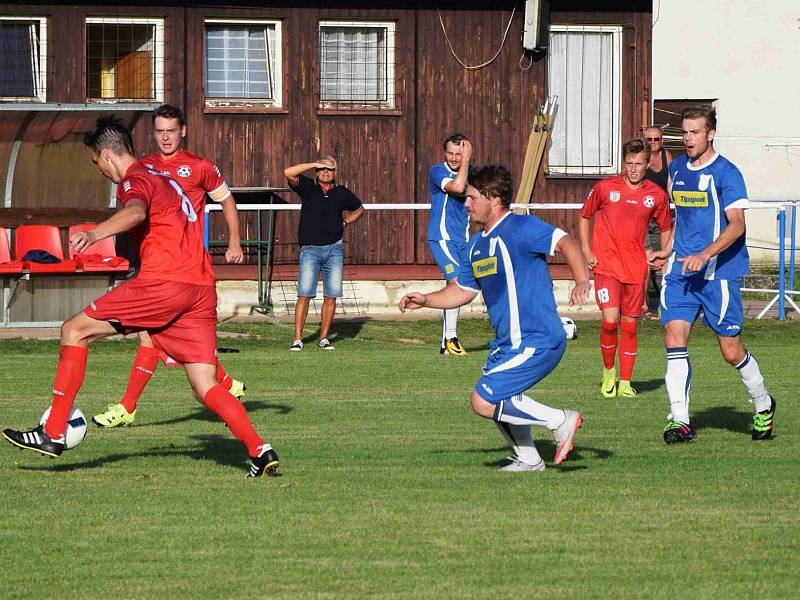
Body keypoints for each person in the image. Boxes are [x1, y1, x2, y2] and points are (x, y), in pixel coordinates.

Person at [2, 116, 279, 477]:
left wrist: (96, 233)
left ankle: (52, 433)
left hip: (164, 283)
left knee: (73, 330)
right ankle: (260, 450)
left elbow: (135, 211)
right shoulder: (167, 181)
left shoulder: (136, 179)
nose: (100, 171)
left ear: (105, 154)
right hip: (199, 289)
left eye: (95, 163)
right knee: (204, 385)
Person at [400, 164, 591, 472]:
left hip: (537, 339)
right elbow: (461, 291)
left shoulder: (520, 228)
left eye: (473, 197)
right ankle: (529, 459)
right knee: (498, 398)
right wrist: (426, 300)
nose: (466, 203)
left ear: (495, 197)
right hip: (508, 344)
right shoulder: (476, 245)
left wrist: (583, 280)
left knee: (483, 400)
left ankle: (560, 421)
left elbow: (566, 242)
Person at [92, 104, 246, 429]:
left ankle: (127, 406)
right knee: (156, 339)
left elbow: (227, 200)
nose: (165, 137)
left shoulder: (199, 167)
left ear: (183, 131)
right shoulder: (142, 167)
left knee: (150, 337)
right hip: (156, 266)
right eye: (160, 131)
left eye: (171, 131)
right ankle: (226, 384)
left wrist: (234, 241)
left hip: (184, 269)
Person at [648, 105, 776, 443]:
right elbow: (681, 219)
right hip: (681, 273)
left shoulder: (727, 173)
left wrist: (705, 254)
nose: (688, 139)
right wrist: (669, 249)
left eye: (695, 132)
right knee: (674, 338)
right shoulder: (677, 169)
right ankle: (680, 420)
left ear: (711, 134)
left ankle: (763, 405)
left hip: (718, 274)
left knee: (731, 351)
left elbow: (737, 225)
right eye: (685, 132)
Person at [579, 139, 673, 398]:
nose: (633, 169)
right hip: (606, 266)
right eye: (628, 163)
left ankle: (626, 381)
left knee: (630, 327)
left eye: (638, 164)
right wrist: (587, 251)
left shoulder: (656, 195)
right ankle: (608, 373)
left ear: (648, 164)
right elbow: (585, 215)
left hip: (635, 269)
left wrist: (663, 257)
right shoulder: (605, 188)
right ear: (624, 163)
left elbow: (666, 227)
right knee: (610, 322)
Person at [284, 156, 364, 351]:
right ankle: (297, 339)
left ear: (335, 172)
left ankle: (324, 338)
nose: (325, 172)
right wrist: (313, 163)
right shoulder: (307, 188)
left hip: (334, 249)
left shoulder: (342, 192)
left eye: (329, 169)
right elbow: (288, 172)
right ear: (316, 172)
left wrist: (345, 222)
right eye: (321, 169)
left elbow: (359, 209)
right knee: (304, 294)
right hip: (310, 249)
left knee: (331, 295)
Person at [427, 134, 472, 355]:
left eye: (459, 153)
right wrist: (466, 161)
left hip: (463, 240)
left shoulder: (473, 174)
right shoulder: (438, 171)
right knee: (457, 285)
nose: (454, 158)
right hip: (442, 237)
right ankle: (450, 339)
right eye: (451, 153)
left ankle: (447, 342)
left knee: (462, 286)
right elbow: (457, 187)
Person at [643, 126, 674, 317]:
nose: (654, 143)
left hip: (662, 217)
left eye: (657, 139)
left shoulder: (666, 156)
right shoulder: (640, 158)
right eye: (650, 139)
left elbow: (671, 183)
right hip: (643, 218)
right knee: (644, 264)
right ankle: (643, 306)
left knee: (664, 262)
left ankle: (666, 305)